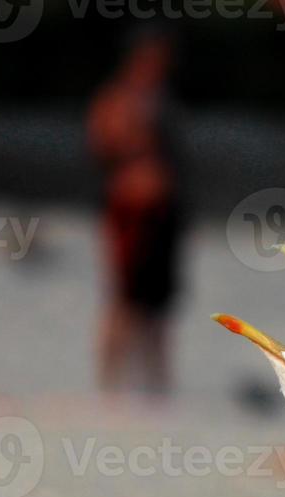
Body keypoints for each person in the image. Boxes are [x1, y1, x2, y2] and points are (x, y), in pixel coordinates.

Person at [87, 31, 181, 396]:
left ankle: (156, 382)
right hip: (131, 210)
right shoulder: (117, 100)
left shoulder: (163, 101)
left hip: (162, 211)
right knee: (125, 300)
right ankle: (110, 382)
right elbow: (101, 147)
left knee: (158, 305)